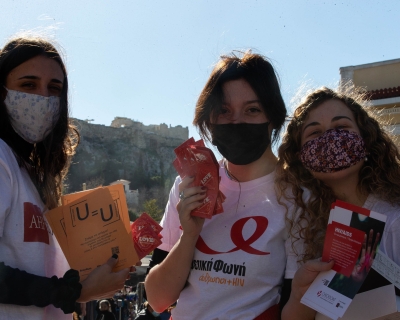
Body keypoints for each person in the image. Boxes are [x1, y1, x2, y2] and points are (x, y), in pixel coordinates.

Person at [145, 51, 302, 319]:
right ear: (210, 118)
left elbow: (294, 304)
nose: (236, 121)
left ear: (273, 118)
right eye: (224, 111)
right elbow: (158, 299)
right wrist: (189, 236)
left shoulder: (298, 194)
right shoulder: (189, 185)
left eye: (252, 110)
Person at [0, 35, 134, 319]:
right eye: (28, 85)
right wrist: (71, 292)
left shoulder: (31, 173)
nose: (43, 98)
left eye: (54, 88)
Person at [275, 87, 400, 319]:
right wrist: (299, 293)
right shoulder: (303, 223)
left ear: (366, 139)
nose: (330, 139)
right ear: (300, 156)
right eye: (314, 133)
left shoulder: (395, 217)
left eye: (341, 128)